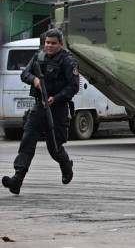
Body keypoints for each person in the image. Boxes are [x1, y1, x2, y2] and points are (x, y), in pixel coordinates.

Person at [2, 29, 79, 195]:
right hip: (39, 106)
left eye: (53, 43)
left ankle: (66, 166)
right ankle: (17, 179)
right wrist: (34, 80)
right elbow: (25, 74)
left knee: (54, 147)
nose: (49, 46)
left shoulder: (68, 61)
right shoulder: (39, 56)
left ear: (60, 44)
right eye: (47, 43)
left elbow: (73, 87)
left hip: (57, 109)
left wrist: (56, 98)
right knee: (27, 141)